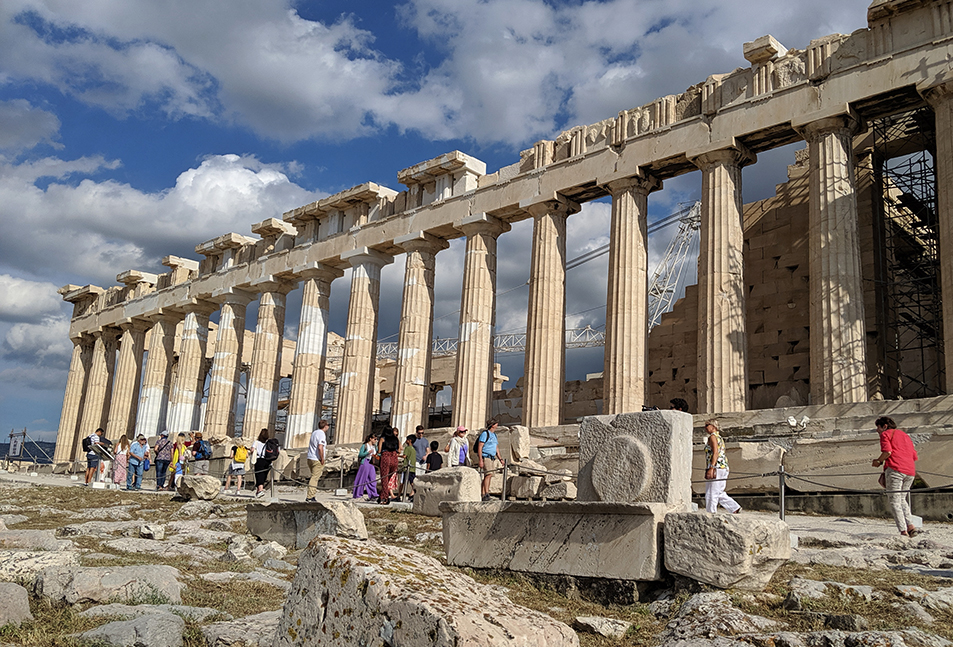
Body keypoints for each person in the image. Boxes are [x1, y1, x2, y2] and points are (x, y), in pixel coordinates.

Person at [872, 416, 920, 537]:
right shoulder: (905, 436)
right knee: (902, 499)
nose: (877, 430)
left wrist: (878, 461)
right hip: (910, 471)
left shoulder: (886, 434)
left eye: (878, 427)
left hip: (895, 470)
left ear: (884, 426)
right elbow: (914, 456)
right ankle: (911, 526)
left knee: (894, 501)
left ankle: (903, 530)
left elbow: (887, 451)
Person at [704, 420, 741, 514]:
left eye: (707, 425)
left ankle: (711, 513)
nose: (705, 427)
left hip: (716, 466)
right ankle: (734, 507)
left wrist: (711, 467)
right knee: (719, 491)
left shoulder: (712, 437)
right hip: (723, 466)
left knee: (711, 492)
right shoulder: (719, 437)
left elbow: (715, 453)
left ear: (713, 426)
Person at [475, 419, 505, 501]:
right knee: (488, 475)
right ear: (492, 425)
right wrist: (480, 459)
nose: (497, 425)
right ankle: (486, 493)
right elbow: (480, 447)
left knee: (489, 475)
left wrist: (500, 459)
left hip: (492, 457)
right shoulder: (485, 434)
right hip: (486, 457)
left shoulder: (494, 435)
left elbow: (496, 448)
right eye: (496, 424)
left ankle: (483, 493)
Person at [305, 420, 329, 502]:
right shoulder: (321, 434)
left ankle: (312, 495)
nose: (328, 427)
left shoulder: (314, 432)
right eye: (328, 425)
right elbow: (320, 447)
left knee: (314, 476)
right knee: (315, 478)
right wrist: (322, 458)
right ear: (325, 426)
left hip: (310, 457)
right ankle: (310, 496)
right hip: (316, 458)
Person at [252, 428, 278, 498]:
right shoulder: (269, 443)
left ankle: (260, 490)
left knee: (259, 475)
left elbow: (252, 450)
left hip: (259, 460)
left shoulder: (256, 442)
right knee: (263, 475)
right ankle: (258, 491)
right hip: (267, 460)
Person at [377, 427, 401, 505]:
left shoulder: (382, 439)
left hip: (386, 457)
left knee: (384, 479)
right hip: (394, 458)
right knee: (388, 479)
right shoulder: (396, 439)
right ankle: (381, 496)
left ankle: (385, 498)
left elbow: (379, 451)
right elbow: (399, 450)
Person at [352, 432, 379, 500]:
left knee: (372, 479)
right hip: (365, 462)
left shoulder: (375, 447)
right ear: (370, 439)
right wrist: (368, 452)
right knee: (362, 478)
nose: (375, 441)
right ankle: (358, 494)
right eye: (374, 439)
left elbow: (377, 454)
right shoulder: (365, 446)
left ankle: (373, 494)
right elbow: (360, 455)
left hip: (372, 463)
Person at [397, 434, 418, 502]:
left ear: (409, 441)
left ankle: (398, 495)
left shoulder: (407, 448)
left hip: (406, 468)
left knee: (402, 482)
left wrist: (398, 455)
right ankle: (415, 493)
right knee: (412, 482)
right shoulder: (414, 449)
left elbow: (404, 456)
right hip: (412, 468)